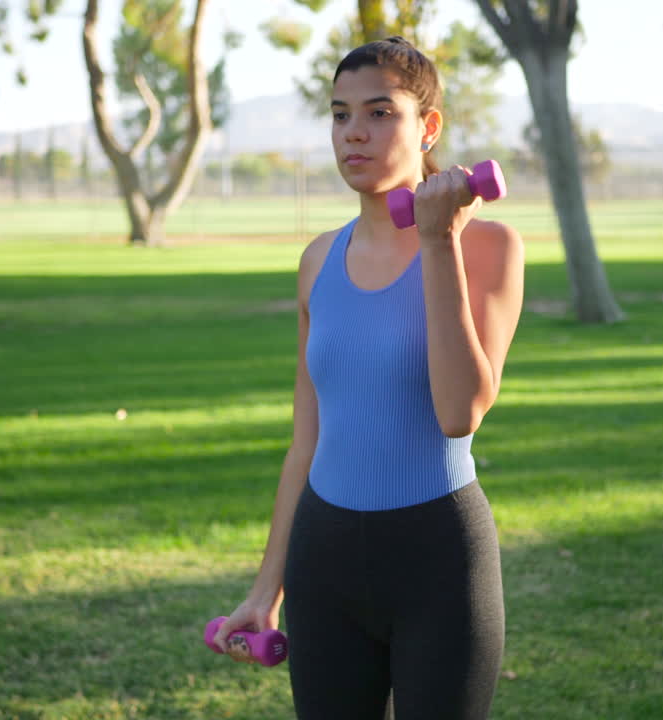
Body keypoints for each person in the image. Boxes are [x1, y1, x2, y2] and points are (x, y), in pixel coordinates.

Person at [211, 36, 525, 719]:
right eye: (340, 114)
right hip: (323, 562)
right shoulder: (317, 259)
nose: (355, 133)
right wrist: (268, 591)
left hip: (439, 561)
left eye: (381, 112)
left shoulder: (489, 247)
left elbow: (459, 411)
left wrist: (439, 242)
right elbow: (306, 443)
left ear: (428, 126)